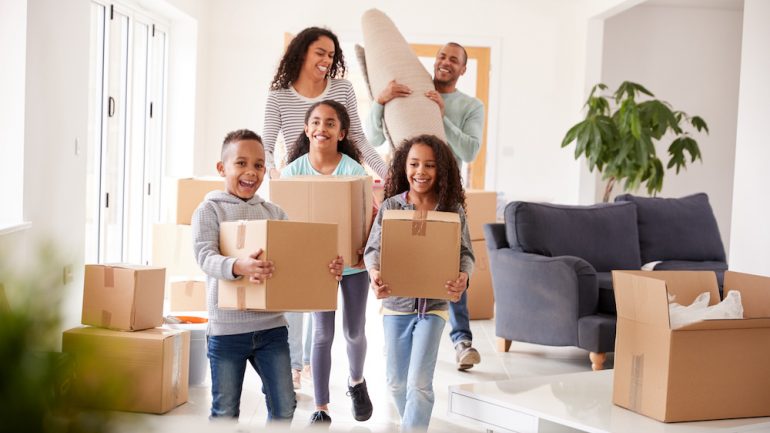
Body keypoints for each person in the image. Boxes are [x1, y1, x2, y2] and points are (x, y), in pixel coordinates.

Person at [191, 129, 344, 422]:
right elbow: (204, 256)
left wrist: (328, 269)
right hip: (227, 330)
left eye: (259, 165)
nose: (251, 172)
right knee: (224, 411)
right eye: (241, 163)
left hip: (271, 328)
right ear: (222, 168)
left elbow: (299, 261)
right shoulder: (209, 210)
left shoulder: (274, 213)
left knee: (285, 405)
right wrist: (238, 266)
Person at [366, 42, 484, 371]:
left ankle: (461, 340)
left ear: (463, 69)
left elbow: (471, 150)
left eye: (454, 60)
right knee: (405, 256)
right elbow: (373, 136)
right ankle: (403, 328)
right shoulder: (412, 92)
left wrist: (442, 119)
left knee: (449, 261)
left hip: (445, 193)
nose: (446, 63)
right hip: (407, 191)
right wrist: (380, 102)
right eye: (442, 56)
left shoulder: (470, 106)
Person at [363, 134, 474, 431]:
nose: (420, 172)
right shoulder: (391, 207)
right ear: (403, 167)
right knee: (397, 383)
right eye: (414, 164)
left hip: (434, 308)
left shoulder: (452, 211)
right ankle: (412, 422)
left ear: (442, 171)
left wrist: (463, 276)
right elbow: (373, 250)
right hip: (396, 306)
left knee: (419, 383)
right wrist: (375, 275)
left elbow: (466, 254)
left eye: (429, 165)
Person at [282, 100, 374, 425]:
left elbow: (367, 217)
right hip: (317, 266)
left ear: (342, 132)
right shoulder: (292, 173)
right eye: (316, 122)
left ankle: (356, 382)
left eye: (330, 123)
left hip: (353, 265)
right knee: (322, 334)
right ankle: (321, 408)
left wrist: (365, 249)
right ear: (307, 129)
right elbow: (285, 223)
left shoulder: (352, 170)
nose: (322, 128)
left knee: (353, 331)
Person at [264, 26, 388, 180]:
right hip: (299, 179)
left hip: (340, 177)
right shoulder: (278, 97)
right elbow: (266, 147)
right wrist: (273, 173)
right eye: (320, 53)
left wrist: (389, 176)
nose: (327, 60)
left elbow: (358, 139)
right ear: (302, 54)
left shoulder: (343, 88)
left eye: (331, 55)